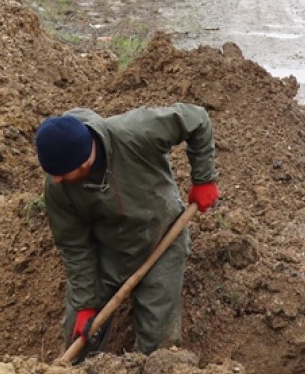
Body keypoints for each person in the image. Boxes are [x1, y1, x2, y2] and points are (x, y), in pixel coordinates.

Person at [34, 104, 219, 357]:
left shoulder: (135, 132)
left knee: (158, 347)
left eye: (62, 174)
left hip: (162, 238)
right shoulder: (58, 187)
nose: (56, 180)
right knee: (79, 336)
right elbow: (75, 247)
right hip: (107, 252)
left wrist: (204, 178)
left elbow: (197, 119)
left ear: (85, 158)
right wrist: (86, 305)